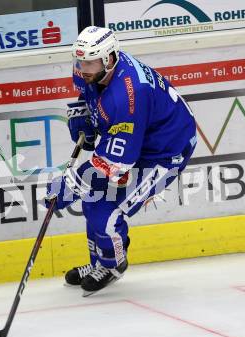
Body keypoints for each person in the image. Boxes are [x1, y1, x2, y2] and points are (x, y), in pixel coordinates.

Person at [45, 26, 197, 296]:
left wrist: (70, 184)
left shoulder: (128, 95)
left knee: (106, 208)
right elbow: (89, 94)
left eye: (89, 62)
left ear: (110, 59)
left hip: (165, 152)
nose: (82, 68)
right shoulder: (96, 69)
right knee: (93, 201)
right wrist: (84, 115)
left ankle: (112, 265)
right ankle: (98, 263)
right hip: (139, 140)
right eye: (79, 61)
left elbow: (116, 161)